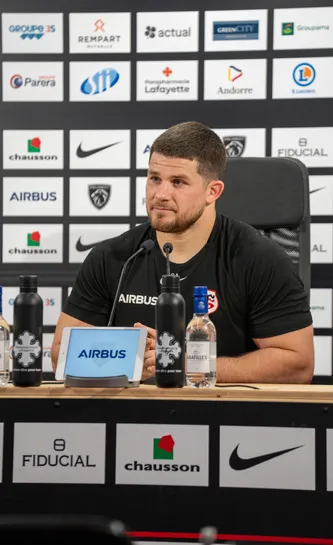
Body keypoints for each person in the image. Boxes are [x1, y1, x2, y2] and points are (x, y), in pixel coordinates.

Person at [51, 121, 314, 384]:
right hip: (132, 415)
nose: (161, 194)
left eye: (178, 182)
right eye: (155, 178)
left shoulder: (260, 259)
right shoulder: (113, 256)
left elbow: (297, 364)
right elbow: (60, 356)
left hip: (225, 415)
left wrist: (182, 363)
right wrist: (125, 358)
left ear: (213, 191)